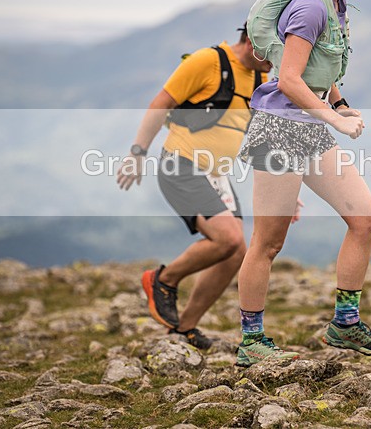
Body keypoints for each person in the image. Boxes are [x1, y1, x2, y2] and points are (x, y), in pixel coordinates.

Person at [234, 0, 371, 367]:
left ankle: (344, 325)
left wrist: (340, 104)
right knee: (268, 242)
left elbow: (322, 71)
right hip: (280, 130)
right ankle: (251, 340)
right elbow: (287, 79)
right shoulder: (309, 8)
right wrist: (331, 119)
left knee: (366, 220)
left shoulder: (335, 4)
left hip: (311, 128)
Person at [117, 25, 275, 349]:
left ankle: (183, 329)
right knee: (227, 237)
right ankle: (163, 280)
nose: (276, 62)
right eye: (272, 52)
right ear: (253, 41)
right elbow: (160, 103)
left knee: (237, 254)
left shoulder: (260, 78)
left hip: (217, 174)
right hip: (182, 164)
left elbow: (257, 137)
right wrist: (137, 153)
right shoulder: (207, 61)